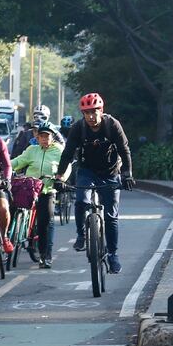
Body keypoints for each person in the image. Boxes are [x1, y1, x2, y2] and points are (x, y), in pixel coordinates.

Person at [56, 93, 133, 274]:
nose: (91, 116)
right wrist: (59, 177)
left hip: (111, 171)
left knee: (111, 216)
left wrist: (127, 174)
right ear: (83, 114)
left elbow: (124, 149)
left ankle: (113, 254)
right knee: (82, 200)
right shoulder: (78, 128)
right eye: (86, 112)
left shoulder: (112, 125)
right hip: (87, 171)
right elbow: (67, 154)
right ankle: (81, 234)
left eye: (94, 112)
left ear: (101, 110)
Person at [11, 121, 62, 268]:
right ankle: (10, 240)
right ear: (37, 137)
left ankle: (45, 256)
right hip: (29, 190)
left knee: (45, 222)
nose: (44, 139)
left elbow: (66, 167)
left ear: (52, 137)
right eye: (41, 136)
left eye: (47, 136)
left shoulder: (58, 150)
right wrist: (3, 166)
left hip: (47, 190)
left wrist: (61, 178)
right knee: (12, 206)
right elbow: (18, 161)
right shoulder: (32, 149)